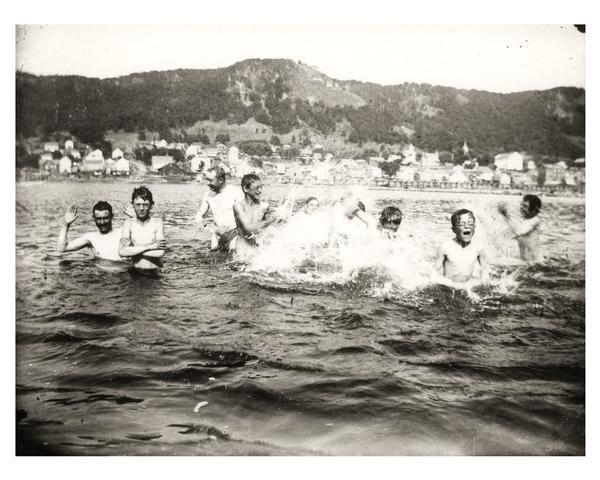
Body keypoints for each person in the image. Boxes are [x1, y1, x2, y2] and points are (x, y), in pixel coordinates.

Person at [430, 208, 489, 301]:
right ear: (454, 230)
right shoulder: (445, 247)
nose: (467, 227)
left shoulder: (479, 248)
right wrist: (448, 284)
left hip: (467, 290)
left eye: (470, 224)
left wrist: (479, 284)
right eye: (462, 224)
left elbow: (485, 272)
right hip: (448, 290)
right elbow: (433, 274)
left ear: (475, 227)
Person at [57, 201, 131, 261]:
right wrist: (66, 224)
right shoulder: (91, 238)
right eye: (98, 219)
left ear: (112, 216)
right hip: (102, 276)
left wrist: (134, 218)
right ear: (94, 218)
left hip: (124, 275)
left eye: (105, 218)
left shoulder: (123, 232)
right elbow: (62, 248)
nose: (102, 222)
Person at [194, 166, 244, 252]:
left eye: (210, 180)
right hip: (217, 236)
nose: (208, 183)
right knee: (213, 259)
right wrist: (200, 221)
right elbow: (198, 215)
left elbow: (244, 216)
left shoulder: (235, 192)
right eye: (207, 180)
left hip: (235, 234)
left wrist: (229, 227)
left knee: (233, 254)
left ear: (221, 180)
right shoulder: (208, 195)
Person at [119, 186, 166, 270]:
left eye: (145, 205)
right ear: (132, 205)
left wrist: (132, 249)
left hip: (154, 272)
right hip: (135, 272)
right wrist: (152, 246)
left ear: (151, 205)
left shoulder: (158, 222)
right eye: (138, 204)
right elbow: (122, 252)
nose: (141, 208)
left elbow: (160, 252)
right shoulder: (128, 223)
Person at [233, 174, 281, 253]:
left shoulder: (264, 206)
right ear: (245, 188)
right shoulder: (238, 206)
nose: (260, 191)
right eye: (257, 187)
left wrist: (280, 218)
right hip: (242, 249)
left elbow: (268, 229)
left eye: (261, 187)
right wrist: (272, 220)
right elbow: (248, 229)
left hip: (257, 248)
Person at [497, 194, 542, 263]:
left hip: (534, 263)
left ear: (533, 210)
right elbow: (510, 232)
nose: (521, 207)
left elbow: (519, 231)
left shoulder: (535, 220)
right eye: (521, 204)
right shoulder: (523, 220)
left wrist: (507, 216)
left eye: (525, 206)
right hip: (525, 262)